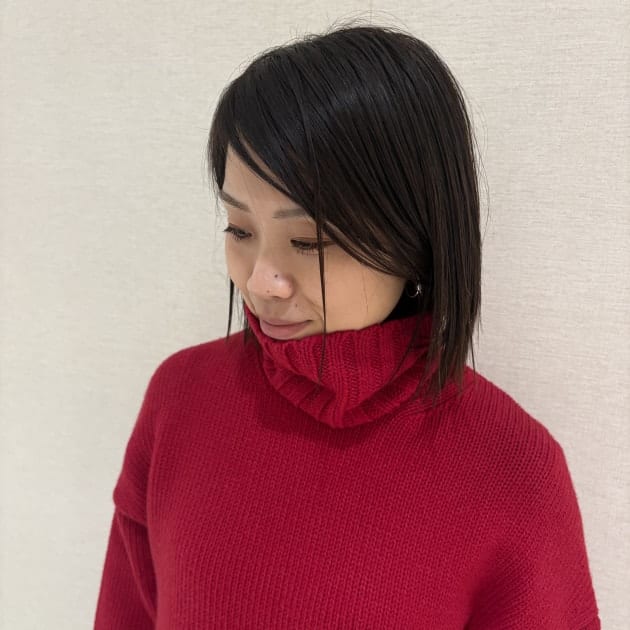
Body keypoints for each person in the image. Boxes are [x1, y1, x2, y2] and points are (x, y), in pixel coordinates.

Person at [94, 21, 600, 629]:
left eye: (309, 240)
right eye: (239, 229)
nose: (261, 281)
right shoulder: (179, 400)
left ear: (415, 236)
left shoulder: (512, 469)